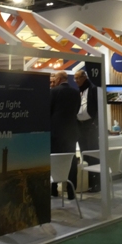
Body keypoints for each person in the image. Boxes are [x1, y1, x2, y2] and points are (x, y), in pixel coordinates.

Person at [50, 70, 80, 200]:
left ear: (59, 79)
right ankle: (71, 191)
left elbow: (49, 110)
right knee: (71, 161)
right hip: (71, 132)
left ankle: (53, 189)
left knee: (54, 160)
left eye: (55, 79)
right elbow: (77, 110)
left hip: (56, 133)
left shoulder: (53, 92)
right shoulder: (76, 92)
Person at [74, 69, 100, 192]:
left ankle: (97, 182)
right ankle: (89, 181)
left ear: (84, 77)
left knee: (93, 154)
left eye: (78, 78)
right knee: (84, 153)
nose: (76, 80)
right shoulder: (79, 91)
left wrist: (95, 123)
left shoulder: (93, 88)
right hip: (80, 126)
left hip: (91, 125)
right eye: (75, 78)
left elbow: (99, 107)